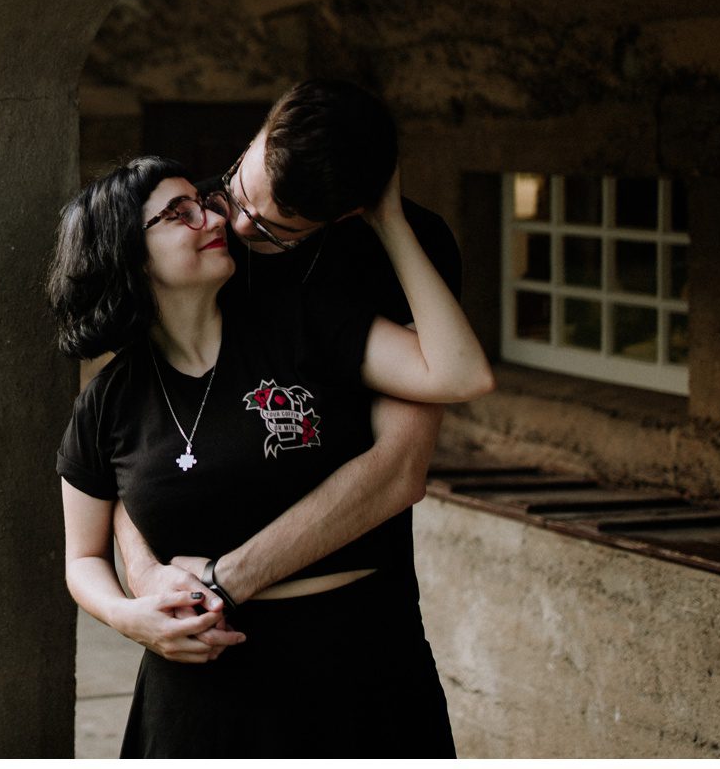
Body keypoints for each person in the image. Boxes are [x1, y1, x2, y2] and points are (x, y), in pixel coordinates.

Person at [51, 145, 491, 756]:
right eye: (178, 213)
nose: (212, 218)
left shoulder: (305, 325)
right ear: (127, 255)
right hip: (199, 697)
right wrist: (131, 617)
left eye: (201, 201)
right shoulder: (107, 402)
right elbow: (83, 558)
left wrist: (388, 219)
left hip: (353, 672)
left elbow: (458, 374)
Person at [114, 79, 468, 679]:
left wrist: (230, 580)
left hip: (351, 622)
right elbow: (135, 434)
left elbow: (401, 468)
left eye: (278, 229)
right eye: (240, 191)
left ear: (347, 213)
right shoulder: (197, 222)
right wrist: (147, 578)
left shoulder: (402, 251)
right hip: (198, 622)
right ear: (258, 136)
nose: (239, 228)